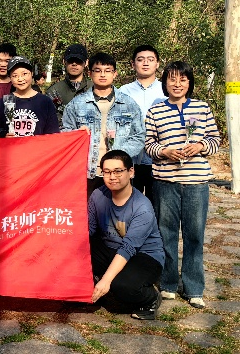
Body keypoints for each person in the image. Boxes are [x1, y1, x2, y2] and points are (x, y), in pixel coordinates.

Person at [145, 61, 220, 309]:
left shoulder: (202, 108)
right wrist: (164, 151)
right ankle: (168, 284)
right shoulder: (155, 111)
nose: (177, 84)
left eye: (183, 79)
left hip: (196, 182)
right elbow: (149, 144)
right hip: (165, 181)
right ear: (165, 82)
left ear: (189, 83)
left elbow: (215, 140)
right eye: (172, 79)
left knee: (194, 236)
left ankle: (194, 288)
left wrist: (200, 146)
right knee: (166, 234)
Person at [89, 150, 164, 320]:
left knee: (122, 286)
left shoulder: (142, 207)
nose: (112, 177)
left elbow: (128, 248)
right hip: (110, 249)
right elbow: (90, 230)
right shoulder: (97, 195)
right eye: (107, 172)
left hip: (143, 256)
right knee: (76, 255)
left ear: (131, 172)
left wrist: (106, 281)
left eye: (118, 171)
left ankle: (151, 298)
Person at [62, 52, 145, 197]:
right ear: (90, 73)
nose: (102, 75)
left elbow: (139, 136)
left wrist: (118, 155)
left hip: (119, 173)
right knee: (88, 210)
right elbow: (64, 133)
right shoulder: (76, 104)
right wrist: (76, 134)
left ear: (115, 74)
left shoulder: (129, 104)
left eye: (108, 71)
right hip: (87, 172)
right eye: (98, 70)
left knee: (118, 210)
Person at [118, 45, 165, 200]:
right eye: (141, 59)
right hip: (131, 159)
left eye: (150, 59)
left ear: (157, 64)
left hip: (159, 160)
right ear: (133, 64)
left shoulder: (166, 91)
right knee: (129, 203)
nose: (145, 63)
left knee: (157, 205)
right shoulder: (123, 92)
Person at [0, 57, 59, 138]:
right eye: (15, 76)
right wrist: (3, 135)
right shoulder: (5, 102)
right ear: (10, 78)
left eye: (24, 74)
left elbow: (53, 134)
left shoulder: (45, 102)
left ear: (32, 73)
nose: (20, 79)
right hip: (12, 146)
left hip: (37, 146)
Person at [46, 44, 92, 127]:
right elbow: (49, 120)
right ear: (64, 62)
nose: (74, 64)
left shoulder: (95, 89)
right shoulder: (54, 91)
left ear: (86, 63)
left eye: (78, 61)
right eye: (70, 60)